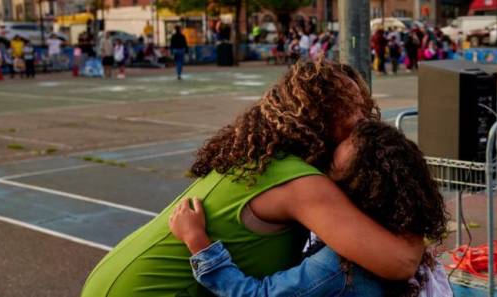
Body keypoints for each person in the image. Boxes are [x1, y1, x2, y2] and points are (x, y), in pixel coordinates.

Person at [80, 60, 426, 297]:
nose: (364, 114)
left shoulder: (264, 159)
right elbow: (398, 263)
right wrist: (417, 217)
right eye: (351, 106)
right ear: (316, 117)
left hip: (123, 278)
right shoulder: (301, 183)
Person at [170, 120, 450, 297]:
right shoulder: (399, 233)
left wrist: (199, 244)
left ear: (362, 193)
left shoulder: (340, 268)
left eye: (331, 171)